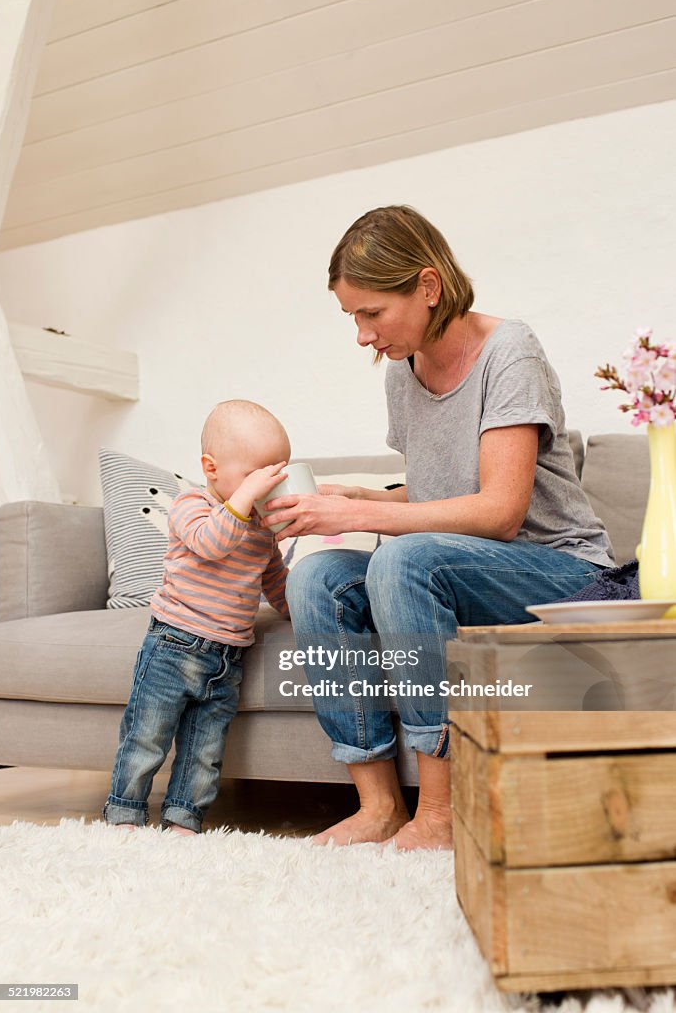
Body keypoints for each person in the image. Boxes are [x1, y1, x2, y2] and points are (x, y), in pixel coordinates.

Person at [261, 205, 614, 851]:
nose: (362, 336)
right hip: (465, 564)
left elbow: (500, 512)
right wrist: (365, 493)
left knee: (401, 559)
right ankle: (378, 806)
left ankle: (443, 812)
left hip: (562, 573)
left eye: (370, 313)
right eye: (353, 318)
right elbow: (438, 495)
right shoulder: (403, 371)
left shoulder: (510, 350)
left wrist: (359, 515)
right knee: (317, 577)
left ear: (428, 287)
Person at [103, 400, 291, 835]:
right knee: (146, 736)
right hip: (174, 644)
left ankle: (184, 817)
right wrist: (244, 502)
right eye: (255, 477)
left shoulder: (261, 527)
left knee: (205, 747)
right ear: (211, 468)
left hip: (228, 656)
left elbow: (275, 580)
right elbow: (211, 543)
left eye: (274, 476)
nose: (264, 489)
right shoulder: (192, 504)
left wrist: (303, 610)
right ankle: (124, 813)